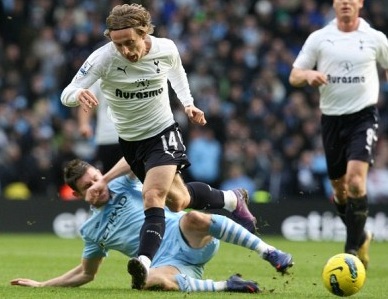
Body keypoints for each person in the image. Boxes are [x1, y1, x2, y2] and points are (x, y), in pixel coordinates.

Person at [60, 3, 257, 289]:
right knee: (177, 201)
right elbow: (67, 92)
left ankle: (144, 260)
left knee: (153, 195)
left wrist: (188, 104)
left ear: (143, 33)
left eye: (130, 42)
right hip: (131, 140)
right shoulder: (102, 58)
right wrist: (78, 92)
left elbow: (176, 73)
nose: (125, 50)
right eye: (118, 44)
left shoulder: (166, 48)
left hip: (163, 129)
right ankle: (230, 199)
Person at [10, 159, 293, 292]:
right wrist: (42, 284)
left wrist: (105, 178)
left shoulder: (121, 183)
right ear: (77, 194)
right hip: (165, 263)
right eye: (88, 186)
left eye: (96, 178)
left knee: (192, 216)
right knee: (146, 280)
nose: (96, 187)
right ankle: (227, 286)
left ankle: (269, 252)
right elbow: (86, 273)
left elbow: (137, 156)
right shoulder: (91, 230)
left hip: (185, 235)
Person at [288, 0, 388, 269]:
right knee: (340, 190)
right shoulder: (320, 38)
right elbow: (294, 76)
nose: (346, 3)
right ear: (334, 4)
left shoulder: (375, 38)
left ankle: (351, 250)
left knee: (356, 182)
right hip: (332, 119)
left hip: (363, 117)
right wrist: (308, 75)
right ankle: (362, 234)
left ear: (360, 3)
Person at [78, 79, 122, 173]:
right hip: (107, 138)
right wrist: (84, 125)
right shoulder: (100, 77)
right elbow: (87, 101)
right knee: (107, 180)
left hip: (133, 136)